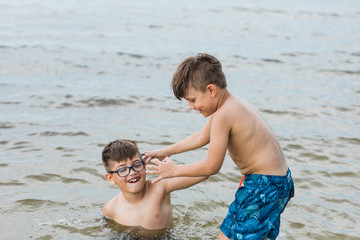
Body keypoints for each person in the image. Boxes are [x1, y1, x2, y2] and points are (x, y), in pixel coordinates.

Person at [144, 53, 295, 240]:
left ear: (211, 90)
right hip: (281, 181)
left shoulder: (223, 115)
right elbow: (200, 137)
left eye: (192, 100)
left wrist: (174, 171)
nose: (191, 106)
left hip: (263, 184)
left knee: (226, 236)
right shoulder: (231, 105)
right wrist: (166, 151)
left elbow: (212, 167)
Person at [101, 139, 207, 230]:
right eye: (123, 169)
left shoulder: (160, 187)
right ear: (111, 178)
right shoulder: (110, 209)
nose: (132, 172)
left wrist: (175, 170)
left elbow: (205, 173)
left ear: (144, 165)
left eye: (137, 165)